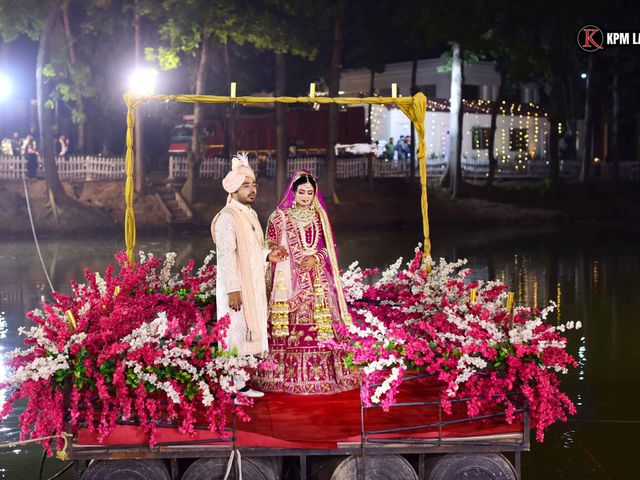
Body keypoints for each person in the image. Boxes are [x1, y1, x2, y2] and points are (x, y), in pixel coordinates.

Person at [253, 171, 358, 395]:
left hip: (316, 276)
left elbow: (328, 248)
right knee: (287, 324)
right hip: (288, 278)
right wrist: (275, 249)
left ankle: (324, 374)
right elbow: (268, 242)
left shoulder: (319, 217)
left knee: (321, 323)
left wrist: (315, 259)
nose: (306, 196)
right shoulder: (279, 217)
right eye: (301, 192)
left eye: (310, 193)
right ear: (293, 192)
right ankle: (281, 373)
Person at [211, 152, 287, 398]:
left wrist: (268, 256)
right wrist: (233, 289)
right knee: (235, 333)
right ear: (233, 189)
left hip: (251, 285)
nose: (252, 190)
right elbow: (226, 256)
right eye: (246, 186)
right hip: (237, 289)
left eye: (254, 184)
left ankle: (239, 383)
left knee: (245, 333)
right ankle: (232, 387)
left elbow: (254, 249)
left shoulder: (250, 214)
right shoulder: (227, 217)